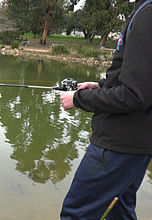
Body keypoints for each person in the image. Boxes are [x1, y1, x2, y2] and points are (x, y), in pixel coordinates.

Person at [59, 0, 152, 219]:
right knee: (118, 212)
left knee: (76, 213)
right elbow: (141, 80)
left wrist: (78, 99)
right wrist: (100, 86)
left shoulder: (148, 15)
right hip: (134, 144)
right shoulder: (144, 9)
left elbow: (134, 95)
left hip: (119, 144)